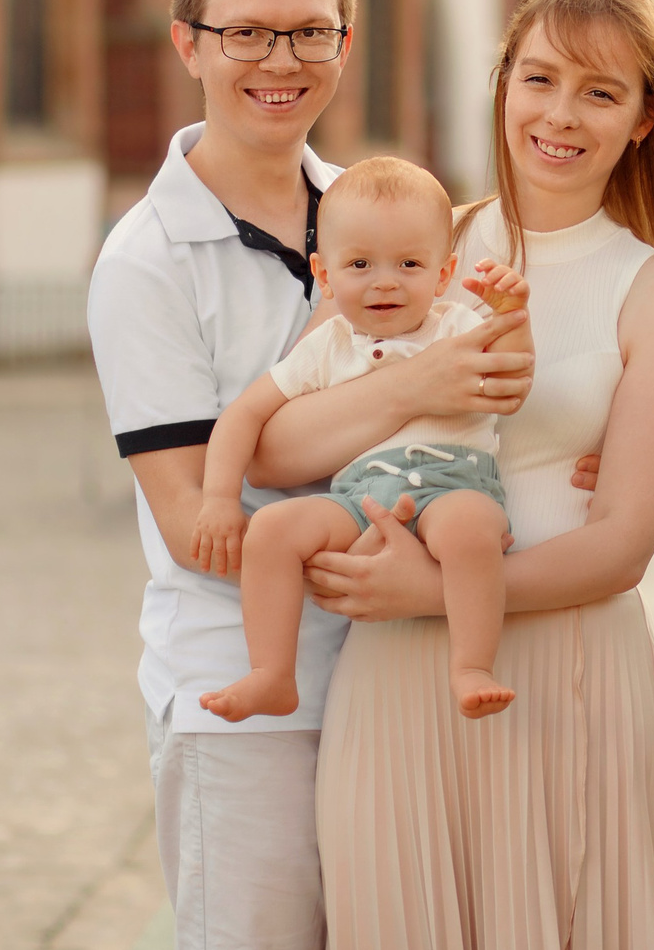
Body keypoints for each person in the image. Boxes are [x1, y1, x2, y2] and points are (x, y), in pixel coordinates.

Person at [84, 0, 538, 950]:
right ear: (187, 43)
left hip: (400, 678)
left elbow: (494, 411)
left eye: (307, 31)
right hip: (248, 706)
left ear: (345, 41)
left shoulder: (388, 218)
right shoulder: (146, 262)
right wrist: (415, 394)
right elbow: (203, 520)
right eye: (245, 32)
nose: (279, 61)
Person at [251, 0, 654, 950]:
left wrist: (430, 593)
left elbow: (623, 546)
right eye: (540, 78)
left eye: (600, 92)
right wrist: (415, 385)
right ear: (502, 80)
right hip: (393, 680)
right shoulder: (414, 247)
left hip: (569, 679)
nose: (559, 115)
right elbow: (274, 447)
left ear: (645, 119)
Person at [193, 155, 532, 724]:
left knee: (470, 531)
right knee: (271, 529)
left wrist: (513, 315)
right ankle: (272, 673)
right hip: (359, 497)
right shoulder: (327, 345)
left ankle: (472, 665)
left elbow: (512, 378)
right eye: (359, 264)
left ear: (443, 273)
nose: (385, 280)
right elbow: (243, 416)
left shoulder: (454, 325)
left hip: (454, 483)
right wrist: (219, 499)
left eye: (409, 263)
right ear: (324, 275)